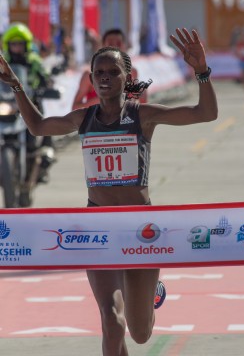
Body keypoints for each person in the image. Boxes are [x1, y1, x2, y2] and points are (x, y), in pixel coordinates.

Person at [0, 27, 218, 355]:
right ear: (90, 79)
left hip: (140, 229)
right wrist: (16, 85)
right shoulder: (84, 119)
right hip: (98, 227)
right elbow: (39, 126)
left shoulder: (142, 116)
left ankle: (149, 293)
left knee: (140, 333)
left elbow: (206, 113)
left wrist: (201, 71)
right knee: (111, 320)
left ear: (127, 76)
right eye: (98, 73)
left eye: (112, 72)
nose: (104, 78)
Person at [1, 22, 56, 183]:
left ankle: (46, 156)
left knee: (44, 122)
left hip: (30, 103)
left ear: (26, 44)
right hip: (8, 104)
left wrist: (46, 86)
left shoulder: (34, 61)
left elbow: (45, 78)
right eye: (13, 44)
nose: (17, 47)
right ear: (8, 45)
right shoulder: (3, 61)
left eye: (20, 43)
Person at [72, 27, 146, 110]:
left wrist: (137, 98)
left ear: (125, 46)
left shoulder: (132, 72)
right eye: (110, 43)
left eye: (118, 43)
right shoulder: (89, 75)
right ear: (103, 47)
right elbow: (74, 108)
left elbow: (139, 106)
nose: (114, 47)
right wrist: (103, 100)